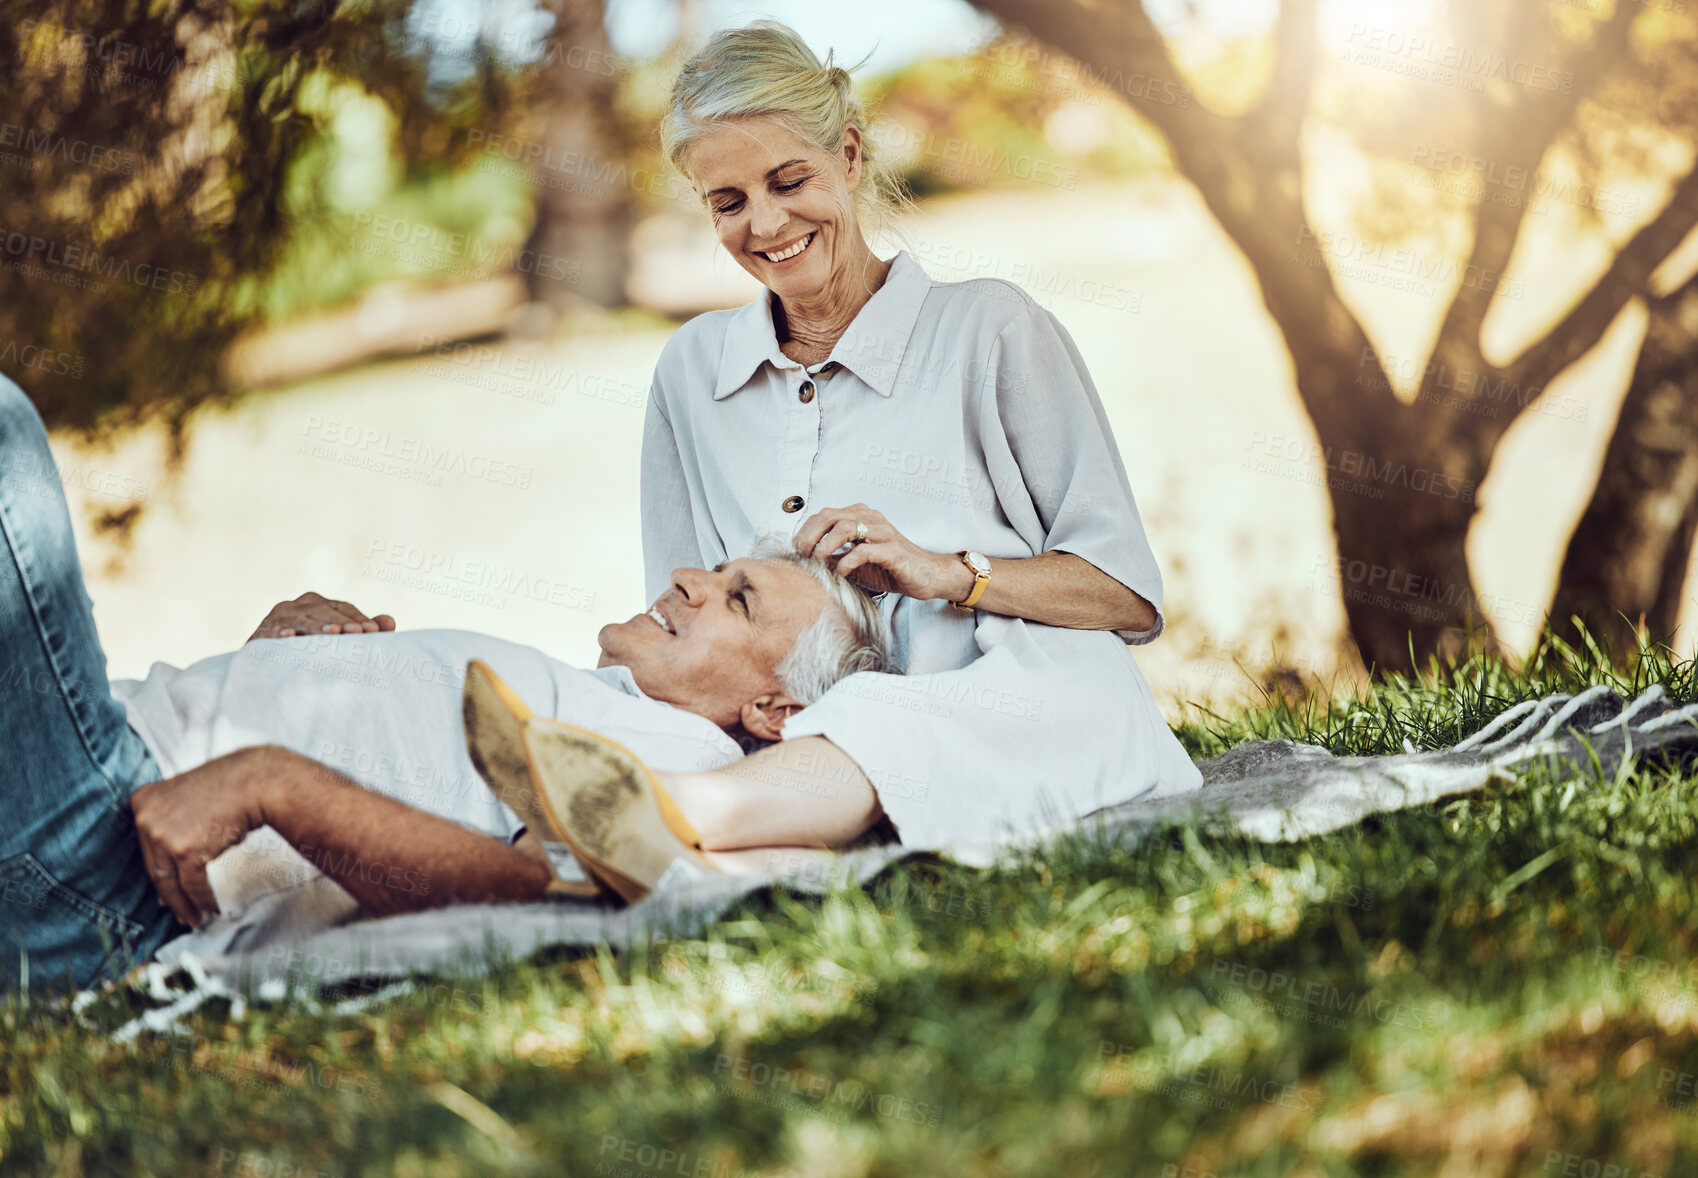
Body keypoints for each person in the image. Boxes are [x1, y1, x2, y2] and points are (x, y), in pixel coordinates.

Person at [0, 374, 890, 993]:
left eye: (737, 600)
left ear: (774, 712)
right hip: (102, 779)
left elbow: (520, 894)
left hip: (103, 863)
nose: (691, 578)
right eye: (720, 568)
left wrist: (271, 778)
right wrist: (284, 664)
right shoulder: (589, 701)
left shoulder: (677, 755)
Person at [625, 22, 1203, 860]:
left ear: (850, 157)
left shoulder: (992, 331)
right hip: (779, 740)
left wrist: (947, 572)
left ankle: (685, 821)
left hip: (1006, 711)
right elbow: (677, 621)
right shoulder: (690, 372)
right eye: (729, 202)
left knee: (1073, 704)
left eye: (790, 181)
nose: (767, 223)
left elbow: (1126, 596)